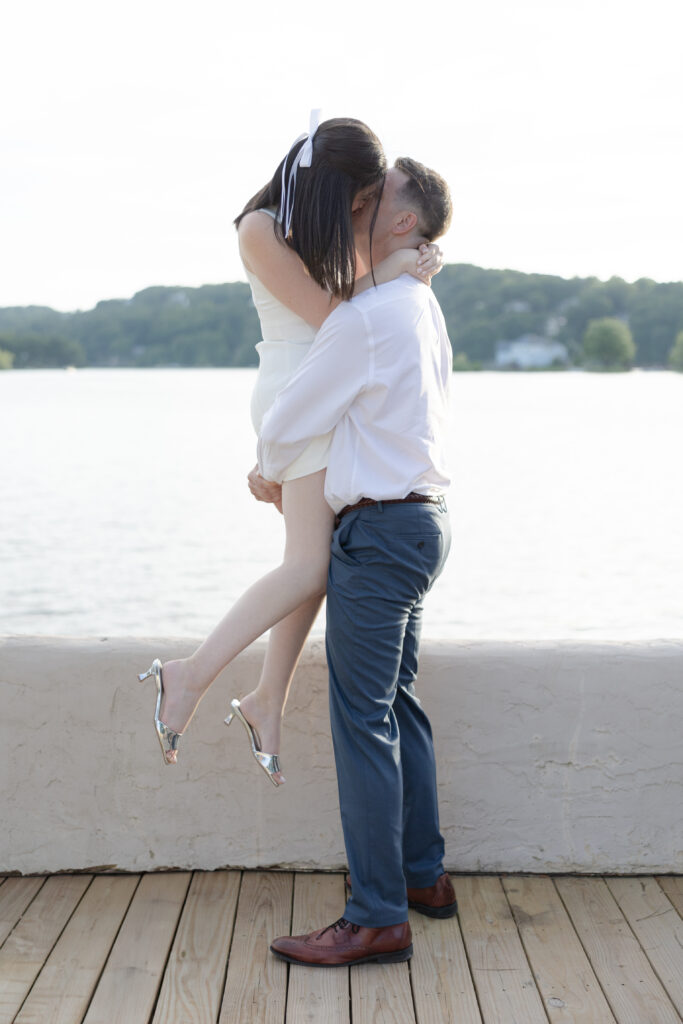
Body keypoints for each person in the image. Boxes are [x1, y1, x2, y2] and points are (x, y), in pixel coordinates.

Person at [138, 116, 443, 783]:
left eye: (369, 203)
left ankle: (265, 700)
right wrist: (391, 268)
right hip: (295, 398)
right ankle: (188, 677)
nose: (362, 210)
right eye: (358, 199)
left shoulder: (322, 228)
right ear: (333, 185)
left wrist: (403, 265)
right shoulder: (258, 228)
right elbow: (335, 315)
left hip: (326, 395)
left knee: (314, 563)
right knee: (308, 566)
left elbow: (360, 308)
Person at [258, 157, 458, 966]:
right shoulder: (415, 303)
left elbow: (289, 416)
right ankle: (422, 877)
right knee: (398, 707)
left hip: (380, 538)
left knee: (362, 722)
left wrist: (267, 466)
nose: (353, 214)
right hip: (424, 527)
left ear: (405, 225)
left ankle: (376, 914)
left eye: (371, 204)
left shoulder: (365, 319)